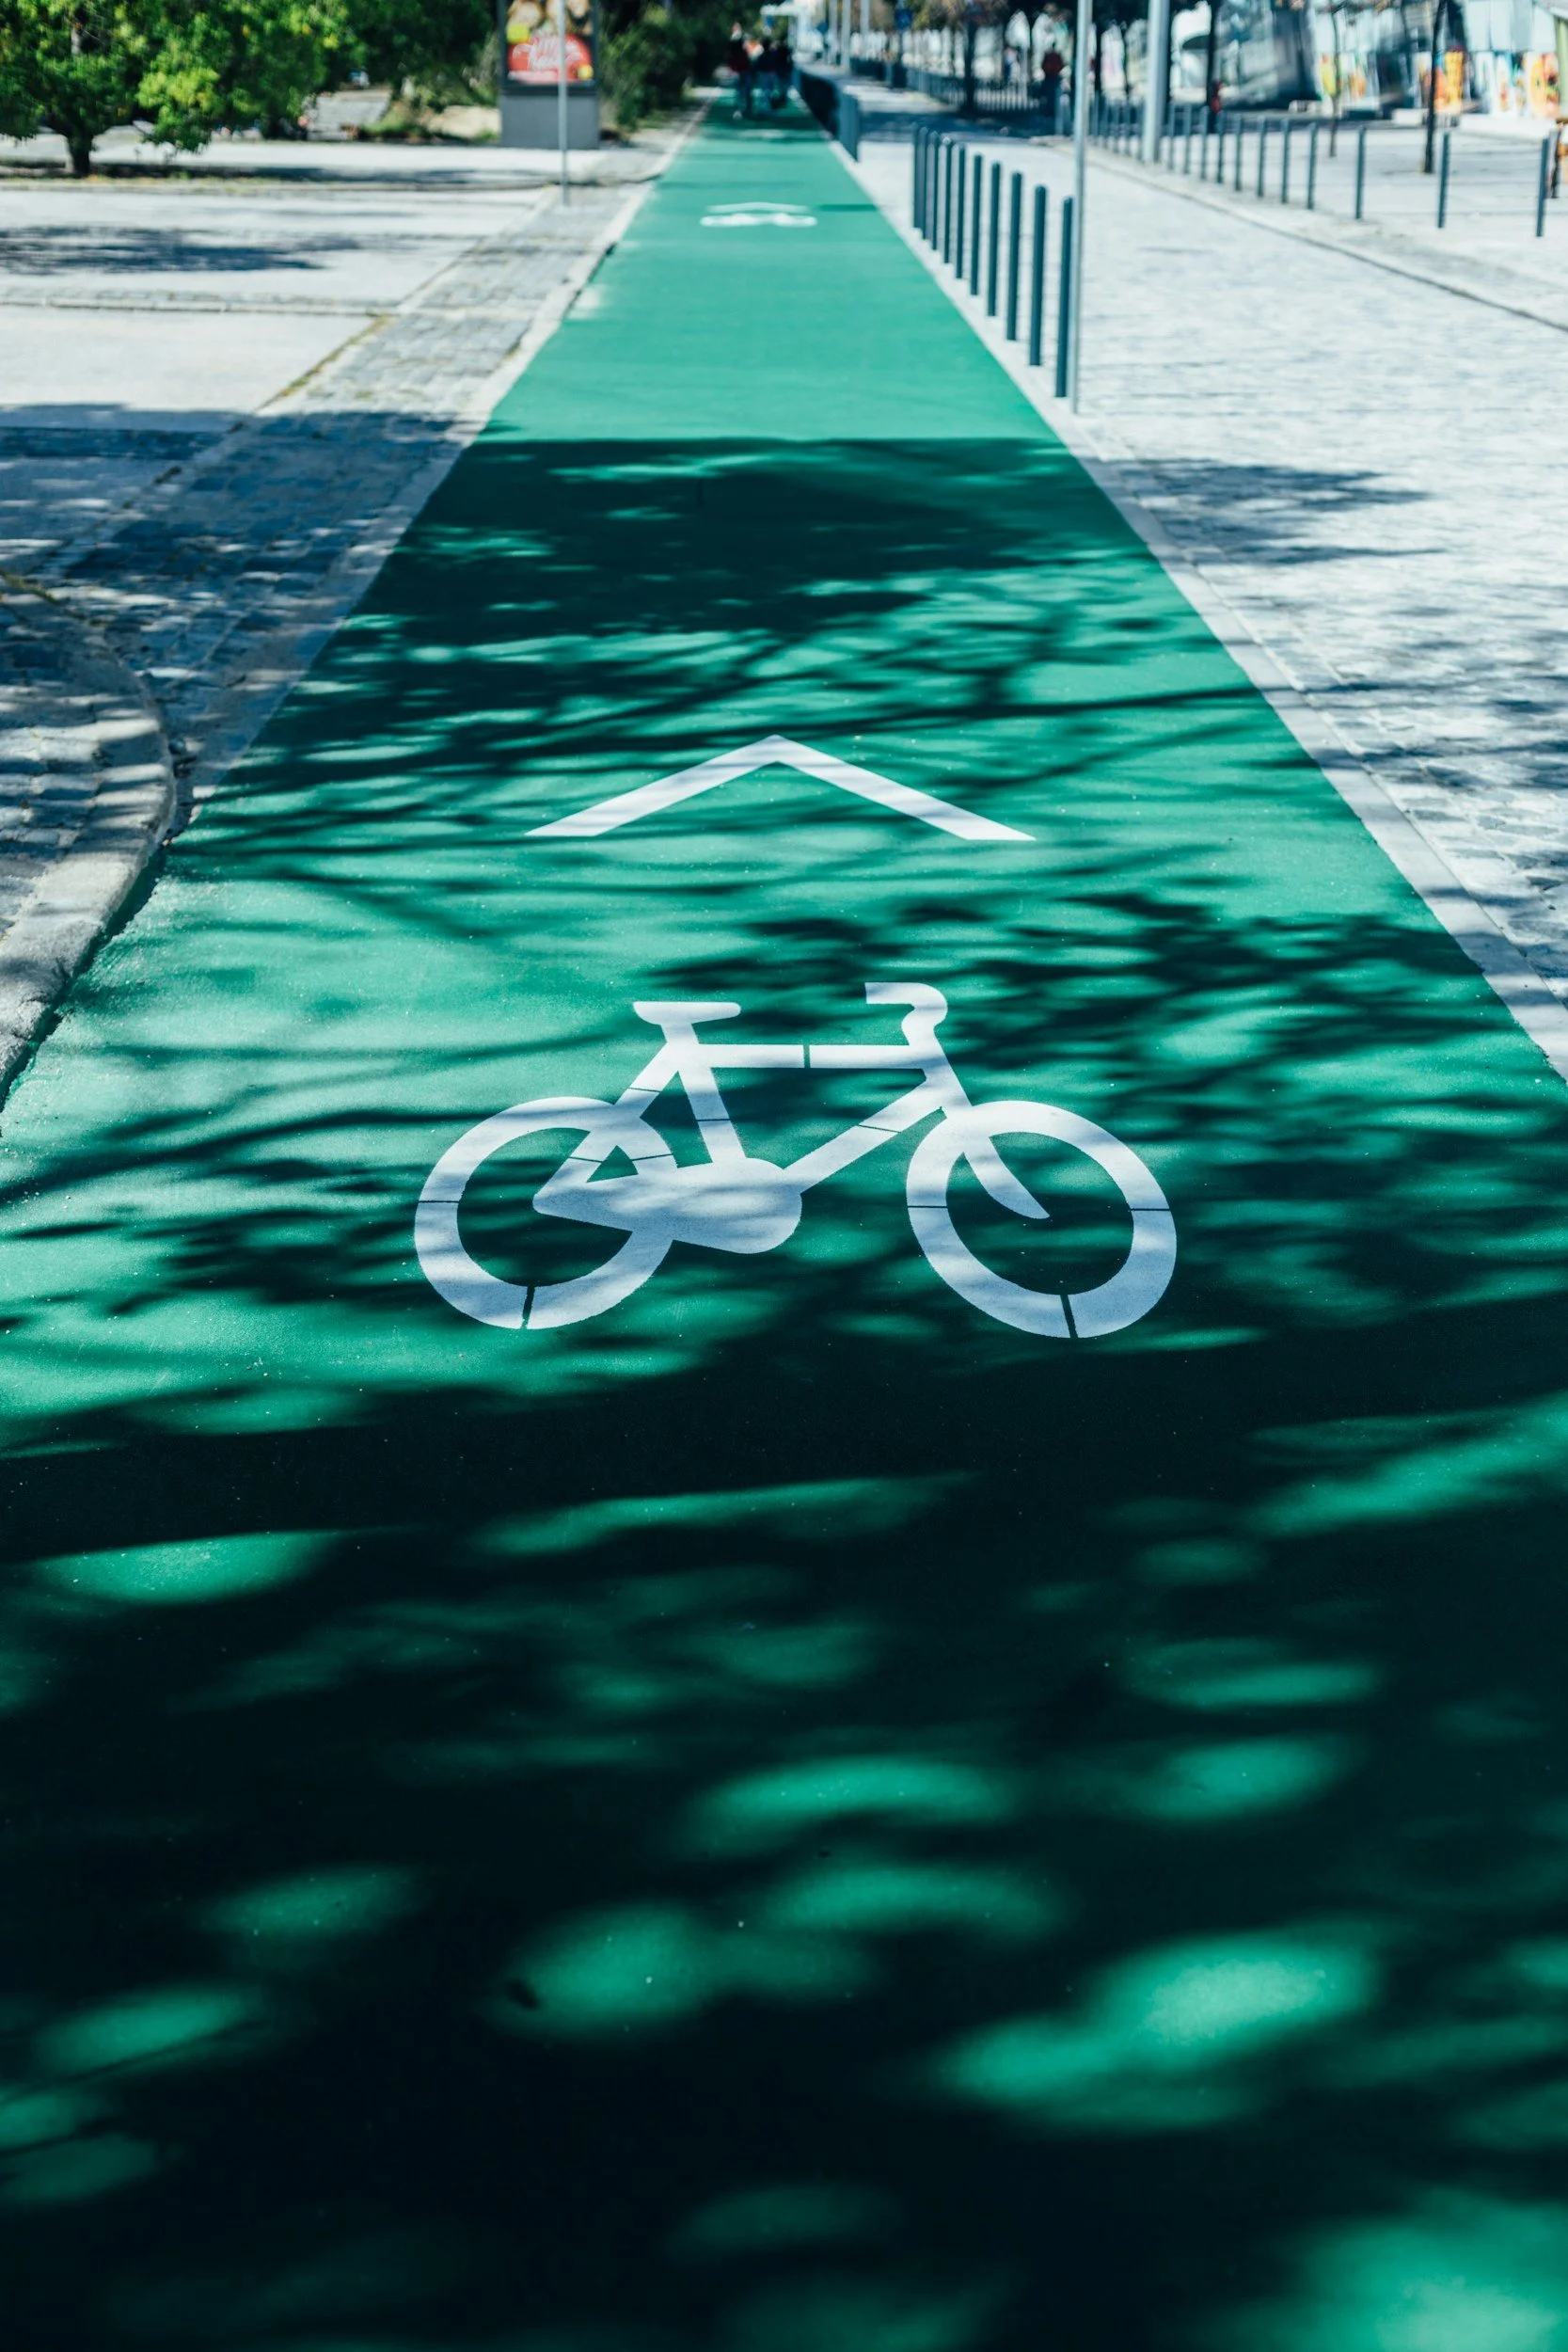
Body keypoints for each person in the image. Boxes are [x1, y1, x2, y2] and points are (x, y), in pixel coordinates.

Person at [727, 24, 755, 117]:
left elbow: (731, 62)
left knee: (738, 92)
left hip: (738, 73)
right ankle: (746, 109)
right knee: (746, 91)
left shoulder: (734, 52)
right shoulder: (742, 52)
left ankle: (739, 109)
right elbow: (748, 63)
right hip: (743, 73)